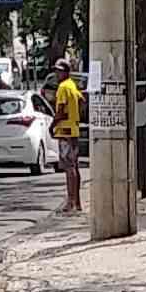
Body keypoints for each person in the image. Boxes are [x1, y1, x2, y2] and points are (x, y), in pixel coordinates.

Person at [52, 60, 84, 212]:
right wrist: (75, 116)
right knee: (74, 166)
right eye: (56, 71)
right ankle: (76, 202)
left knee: (69, 167)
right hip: (74, 130)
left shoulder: (63, 87)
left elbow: (60, 111)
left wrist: (52, 125)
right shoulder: (72, 85)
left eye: (59, 71)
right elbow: (82, 100)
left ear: (66, 72)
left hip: (65, 131)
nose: (57, 74)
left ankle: (71, 202)